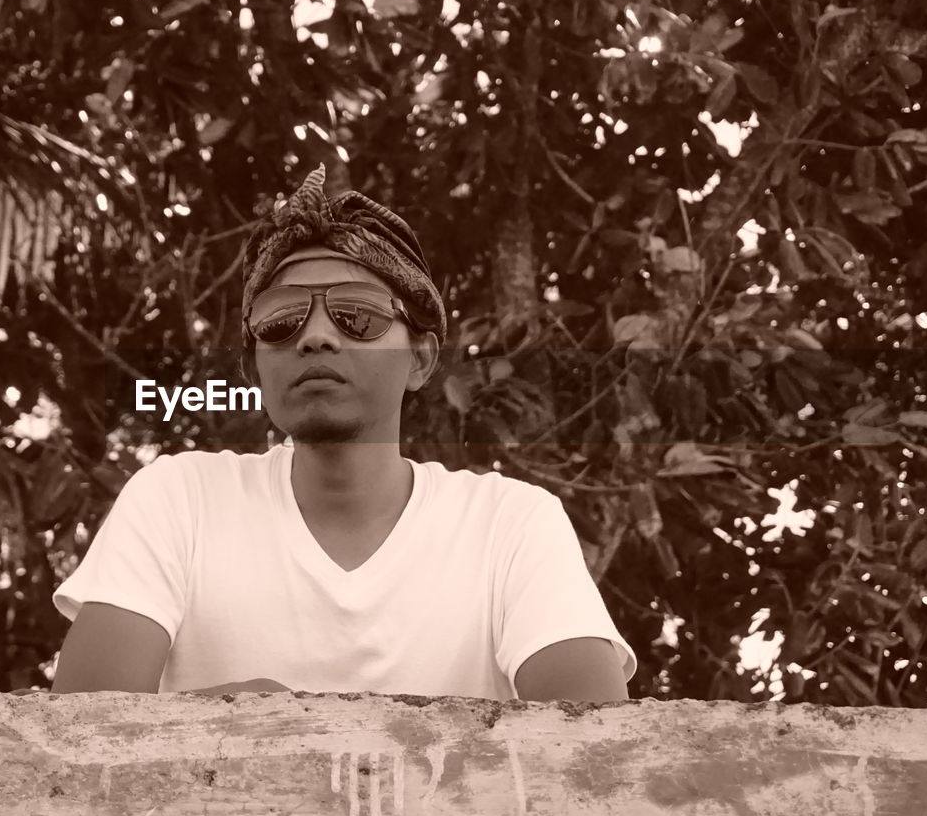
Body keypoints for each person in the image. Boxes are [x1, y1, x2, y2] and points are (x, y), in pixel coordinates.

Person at [50, 165, 636, 701]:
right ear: (255, 365)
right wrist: (224, 726)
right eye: (281, 320)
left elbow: (595, 751)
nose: (316, 337)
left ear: (422, 359)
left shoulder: (510, 524)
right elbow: (80, 739)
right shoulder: (180, 498)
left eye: (357, 314)